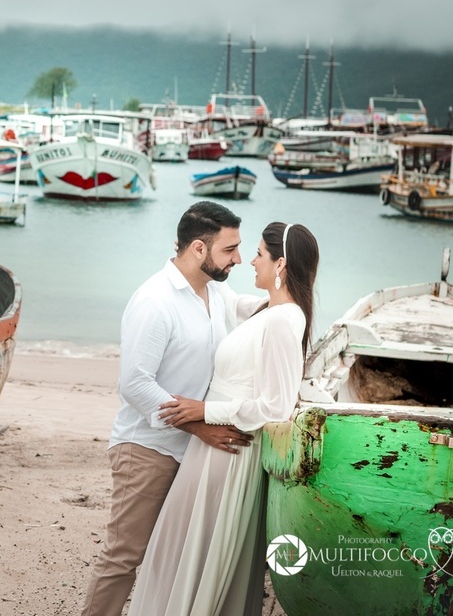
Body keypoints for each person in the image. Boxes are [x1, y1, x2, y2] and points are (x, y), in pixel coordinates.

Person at [125, 222, 320, 616]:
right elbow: (225, 295)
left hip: (229, 448)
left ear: (280, 264)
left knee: (199, 547)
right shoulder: (269, 310)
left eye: (259, 255)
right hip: (213, 446)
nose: (249, 259)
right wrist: (198, 259)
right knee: (182, 543)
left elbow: (276, 406)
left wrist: (204, 411)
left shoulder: (285, 320)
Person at [80, 202, 261, 616]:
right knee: (124, 557)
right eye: (230, 250)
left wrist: (285, 302)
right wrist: (199, 425)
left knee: (174, 555)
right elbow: (135, 384)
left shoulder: (214, 288)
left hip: (191, 450)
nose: (237, 259)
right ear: (199, 248)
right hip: (148, 448)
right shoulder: (154, 301)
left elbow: (242, 307)